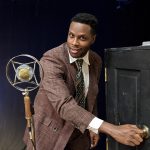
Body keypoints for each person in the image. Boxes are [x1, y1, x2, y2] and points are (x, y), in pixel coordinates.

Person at [23, 12, 143, 150]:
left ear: (93, 39)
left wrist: (93, 129)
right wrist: (112, 130)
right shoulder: (50, 60)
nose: (74, 43)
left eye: (82, 38)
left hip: (79, 135)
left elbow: (91, 97)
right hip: (49, 135)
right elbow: (64, 105)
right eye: (71, 35)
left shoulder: (96, 60)